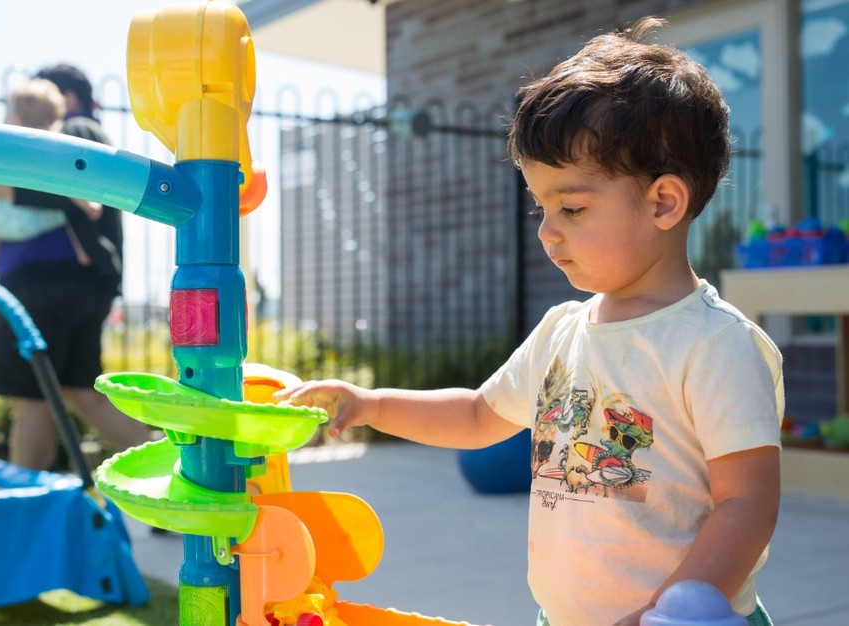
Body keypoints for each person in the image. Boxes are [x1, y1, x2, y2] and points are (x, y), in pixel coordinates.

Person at [275, 17, 783, 626]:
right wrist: (371, 402)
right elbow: (477, 415)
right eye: (541, 206)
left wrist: (663, 614)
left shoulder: (715, 343)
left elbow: (746, 504)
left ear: (663, 202)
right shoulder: (562, 330)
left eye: (571, 206)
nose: (547, 230)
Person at [0, 63, 152, 471]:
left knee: (32, 399)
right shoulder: (91, 133)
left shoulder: (73, 130)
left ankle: (28, 506)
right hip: (82, 284)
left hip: (43, 284)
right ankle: (175, 476)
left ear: (68, 100)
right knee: (82, 393)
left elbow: (72, 190)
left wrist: (6, 189)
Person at [0, 78, 100, 280]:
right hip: (47, 234)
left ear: (15, 117)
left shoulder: (5, 149)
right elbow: (66, 185)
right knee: (68, 220)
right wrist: (88, 205)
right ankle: (82, 251)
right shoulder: (53, 147)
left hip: (5, 232)